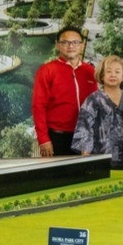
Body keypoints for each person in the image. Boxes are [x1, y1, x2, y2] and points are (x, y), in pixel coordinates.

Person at [31, 26, 98, 157]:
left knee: (84, 170)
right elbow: (38, 106)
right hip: (57, 137)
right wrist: (43, 138)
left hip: (85, 135)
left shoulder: (90, 71)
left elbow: (95, 104)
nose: (71, 46)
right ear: (57, 45)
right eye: (65, 42)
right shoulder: (47, 70)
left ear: (82, 46)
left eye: (75, 42)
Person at [72, 54, 123, 160]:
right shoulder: (94, 99)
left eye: (117, 72)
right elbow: (84, 127)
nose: (113, 75)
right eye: (108, 71)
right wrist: (85, 155)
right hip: (99, 156)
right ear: (102, 75)